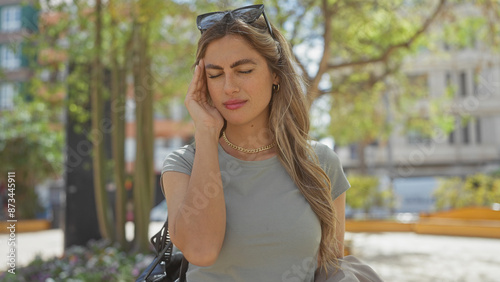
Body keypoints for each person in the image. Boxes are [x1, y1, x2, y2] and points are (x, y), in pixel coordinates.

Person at [161, 4, 351, 281]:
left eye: (244, 71)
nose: (229, 87)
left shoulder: (320, 162)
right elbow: (200, 251)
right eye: (215, 75)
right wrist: (206, 130)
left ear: (275, 74)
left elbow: (331, 268)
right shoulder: (183, 165)